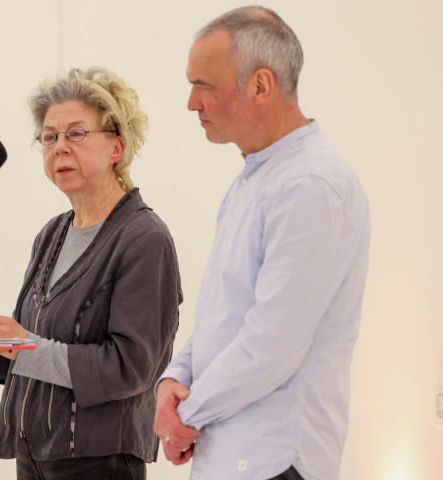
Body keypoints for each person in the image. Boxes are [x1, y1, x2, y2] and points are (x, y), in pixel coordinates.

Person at [0, 66, 182, 479]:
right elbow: (27, 351)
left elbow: (130, 367)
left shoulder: (144, 239)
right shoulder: (52, 234)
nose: (59, 147)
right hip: (34, 453)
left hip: (98, 461)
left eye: (76, 133)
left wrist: (25, 346)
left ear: (116, 147)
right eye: (49, 137)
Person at [153, 6, 371, 480]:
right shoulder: (255, 180)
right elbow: (222, 316)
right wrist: (174, 378)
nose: (192, 103)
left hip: (274, 461)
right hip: (230, 454)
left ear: (260, 86)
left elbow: (272, 345)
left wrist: (184, 417)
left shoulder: (311, 184)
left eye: (203, 86)